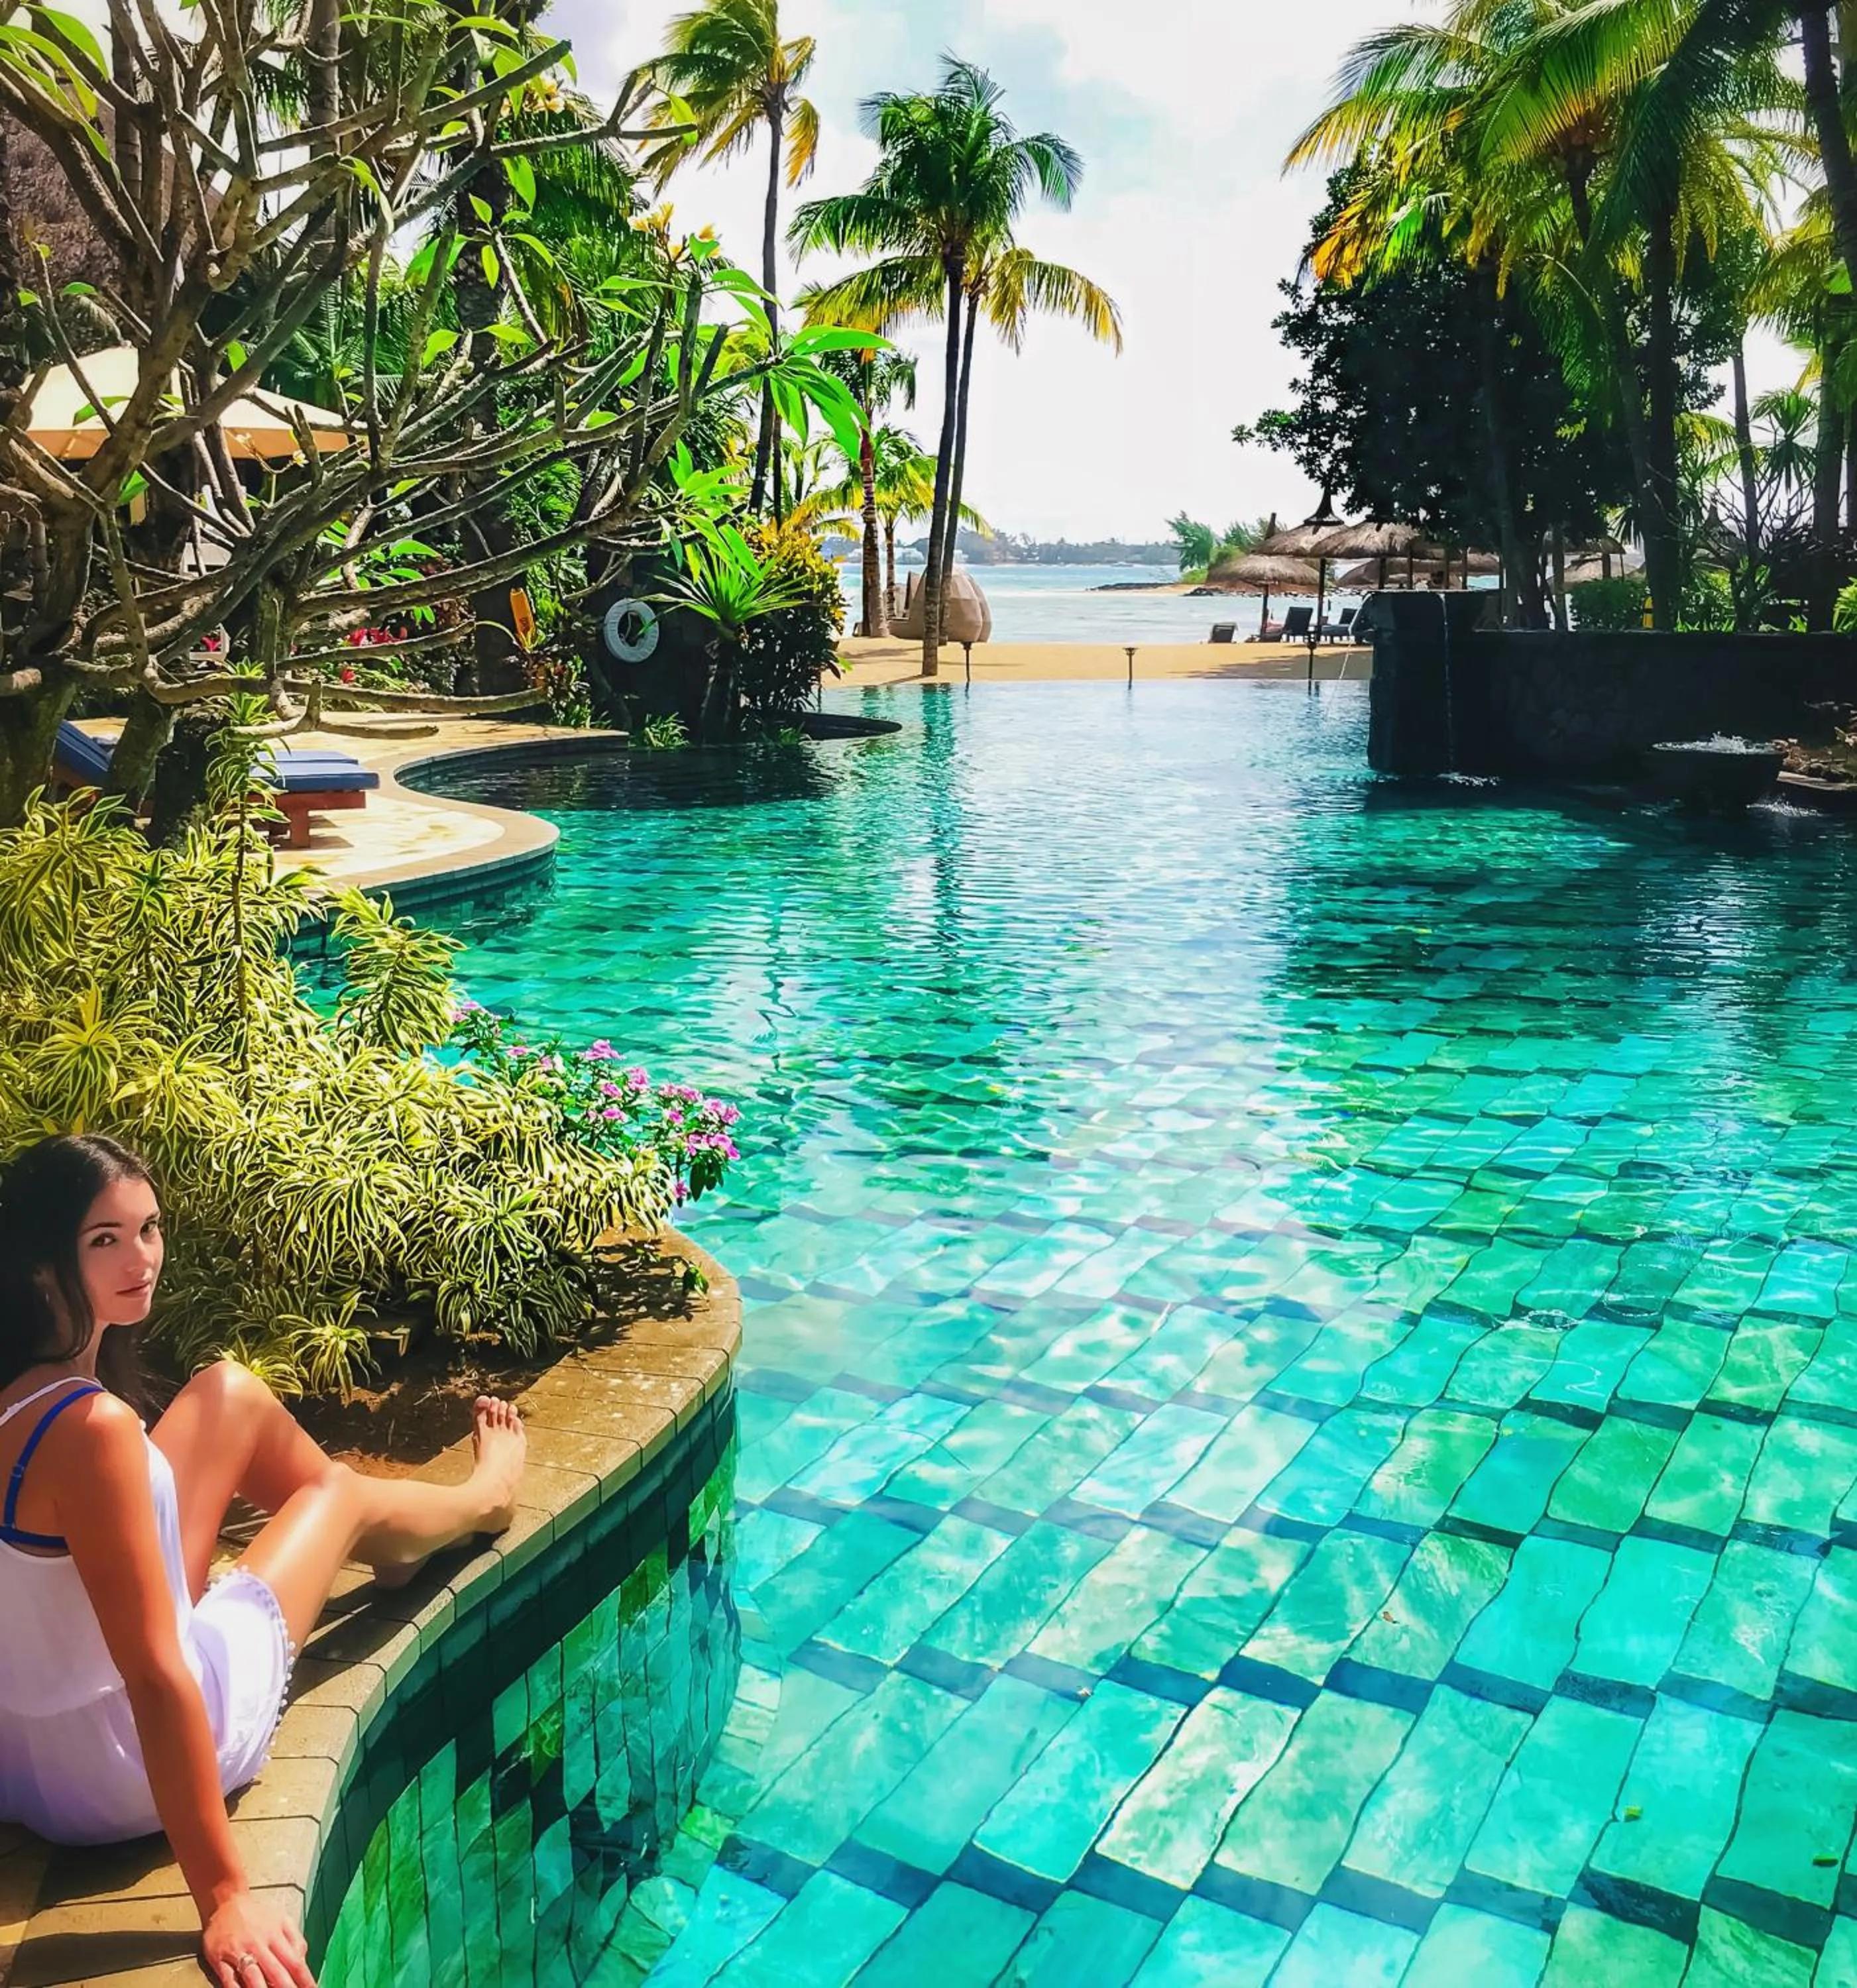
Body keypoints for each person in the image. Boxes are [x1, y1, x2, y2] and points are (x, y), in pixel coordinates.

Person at [0, 1134, 529, 1988]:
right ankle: (480, 1504)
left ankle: (395, 1547)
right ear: (37, 1261)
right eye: (104, 1240)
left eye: (149, 1230)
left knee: (227, 1392)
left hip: (25, 1758)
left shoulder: (24, 1399)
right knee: (338, 1496)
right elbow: (158, 1675)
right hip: (119, 1765)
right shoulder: (91, 1432)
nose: (141, 1260)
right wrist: (226, 1897)